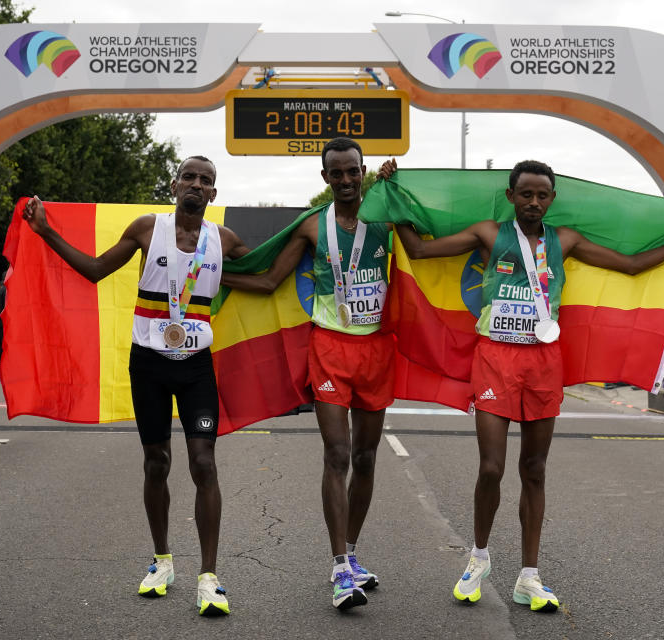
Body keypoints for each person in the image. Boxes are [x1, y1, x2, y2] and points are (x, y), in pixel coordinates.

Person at [389, 158, 664, 612]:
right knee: (491, 466)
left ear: (552, 199)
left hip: (544, 362)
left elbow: (629, 265)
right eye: (525, 193)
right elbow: (419, 250)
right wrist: (392, 196)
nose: (533, 202)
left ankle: (529, 577)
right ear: (510, 196)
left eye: (542, 195)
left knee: (534, 468)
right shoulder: (489, 233)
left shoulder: (563, 240)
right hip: (495, 358)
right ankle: (478, 558)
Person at [22, 156, 250, 615]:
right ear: (174, 184)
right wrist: (45, 230)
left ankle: (209, 577)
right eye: (189, 176)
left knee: (203, 463)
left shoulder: (223, 241)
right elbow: (94, 269)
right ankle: (162, 560)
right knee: (156, 462)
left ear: (214, 194)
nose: (197, 184)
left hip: (196, 366)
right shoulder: (148, 228)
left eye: (206, 181)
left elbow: (265, 278)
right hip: (148, 362)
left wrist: (312, 252)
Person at [221, 137, 391, 611]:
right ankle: (339, 568)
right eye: (335, 173)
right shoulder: (312, 229)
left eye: (352, 171)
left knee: (367, 458)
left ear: (365, 171)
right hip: (330, 348)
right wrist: (210, 271)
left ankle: (353, 556)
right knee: (336, 454)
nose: (345, 180)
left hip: (377, 349)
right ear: (325, 178)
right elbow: (269, 280)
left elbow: (431, 237)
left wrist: (400, 188)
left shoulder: (385, 217)